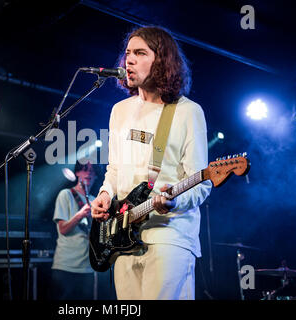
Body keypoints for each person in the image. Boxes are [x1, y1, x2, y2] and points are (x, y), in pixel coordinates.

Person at [91, 26, 212, 300]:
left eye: (140, 53)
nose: (128, 60)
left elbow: (201, 182)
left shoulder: (187, 112)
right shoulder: (119, 111)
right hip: (122, 235)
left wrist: (174, 201)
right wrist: (105, 194)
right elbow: (114, 169)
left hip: (170, 236)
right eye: (128, 53)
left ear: (161, 60)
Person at [50, 160, 100, 300]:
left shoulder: (95, 201)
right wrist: (80, 215)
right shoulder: (66, 194)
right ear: (77, 172)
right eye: (85, 169)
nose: (89, 173)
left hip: (88, 267)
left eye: (92, 171)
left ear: (96, 176)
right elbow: (63, 229)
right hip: (66, 266)